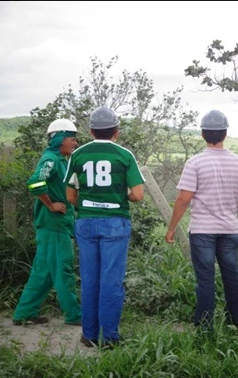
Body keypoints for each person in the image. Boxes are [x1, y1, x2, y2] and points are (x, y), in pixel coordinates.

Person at [65, 106, 145, 349]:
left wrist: (89, 206)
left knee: (89, 279)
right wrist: (121, 199)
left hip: (86, 222)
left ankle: (89, 335)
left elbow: (70, 195)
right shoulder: (124, 155)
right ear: (116, 132)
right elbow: (139, 195)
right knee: (111, 280)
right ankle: (109, 337)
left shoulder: (78, 155)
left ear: (91, 131)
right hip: (115, 223)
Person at [165, 110, 238, 332]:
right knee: (232, 275)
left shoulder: (195, 162)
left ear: (203, 134)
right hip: (230, 228)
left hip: (202, 230)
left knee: (205, 279)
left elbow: (184, 199)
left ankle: (204, 326)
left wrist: (172, 228)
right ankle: (236, 321)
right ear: (225, 133)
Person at [12, 118, 82, 326]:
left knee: (43, 272)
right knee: (64, 269)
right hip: (53, 225)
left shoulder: (61, 159)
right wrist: (51, 205)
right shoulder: (51, 159)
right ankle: (74, 315)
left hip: (56, 225)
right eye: (71, 139)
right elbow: (35, 183)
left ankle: (24, 312)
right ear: (60, 140)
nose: (75, 143)